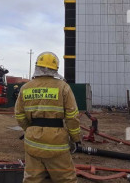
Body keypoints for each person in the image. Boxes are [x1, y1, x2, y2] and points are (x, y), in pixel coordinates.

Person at [15, 52, 81, 183]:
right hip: (57, 143)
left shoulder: (25, 87)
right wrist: (75, 139)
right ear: (55, 69)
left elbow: (19, 115)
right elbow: (72, 116)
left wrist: (30, 129)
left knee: (32, 179)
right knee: (66, 179)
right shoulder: (63, 87)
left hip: (32, 141)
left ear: (37, 67)